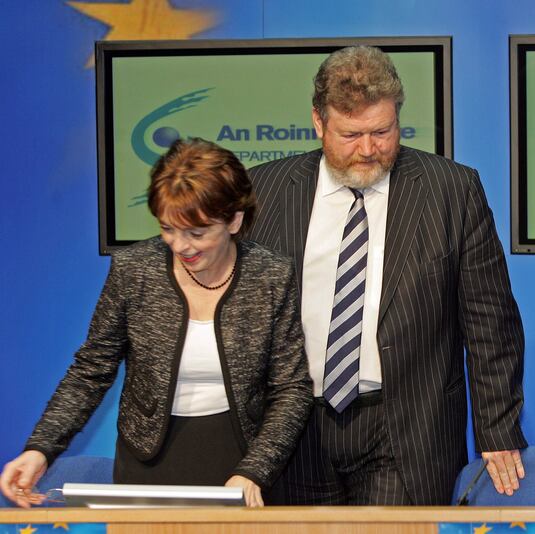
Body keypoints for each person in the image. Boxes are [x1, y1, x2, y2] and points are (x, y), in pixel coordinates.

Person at [247, 45, 526, 505]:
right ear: (318, 122)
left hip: (405, 427)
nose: (369, 149)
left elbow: (489, 320)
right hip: (293, 429)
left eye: (383, 130)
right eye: (351, 134)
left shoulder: (451, 190)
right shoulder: (266, 190)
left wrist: (496, 427)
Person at [0, 139, 312, 507]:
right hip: (147, 459)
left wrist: (255, 470)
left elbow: (291, 388)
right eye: (168, 228)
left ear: (234, 220)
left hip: (241, 460)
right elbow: (91, 370)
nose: (181, 246)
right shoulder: (135, 270)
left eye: (197, 232)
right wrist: (41, 448)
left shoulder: (271, 276)